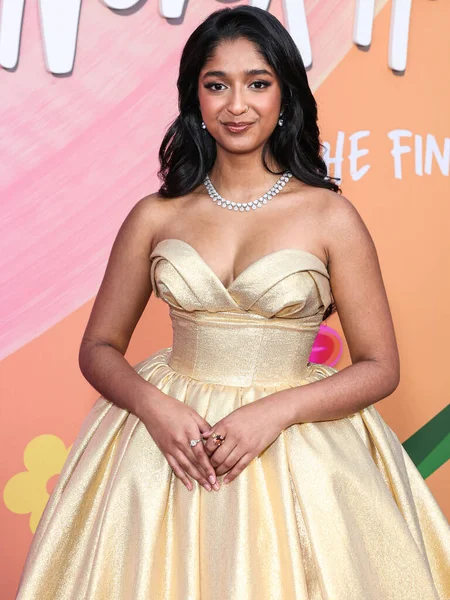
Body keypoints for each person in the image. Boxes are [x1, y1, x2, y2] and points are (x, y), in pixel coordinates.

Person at [16, 5, 450, 599]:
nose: (237, 105)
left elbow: (381, 367)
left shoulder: (330, 215)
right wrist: (155, 408)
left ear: (285, 95)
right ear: (194, 96)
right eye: (216, 85)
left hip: (296, 448)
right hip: (167, 451)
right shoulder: (156, 215)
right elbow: (98, 348)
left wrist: (274, 412)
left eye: (258, 84)